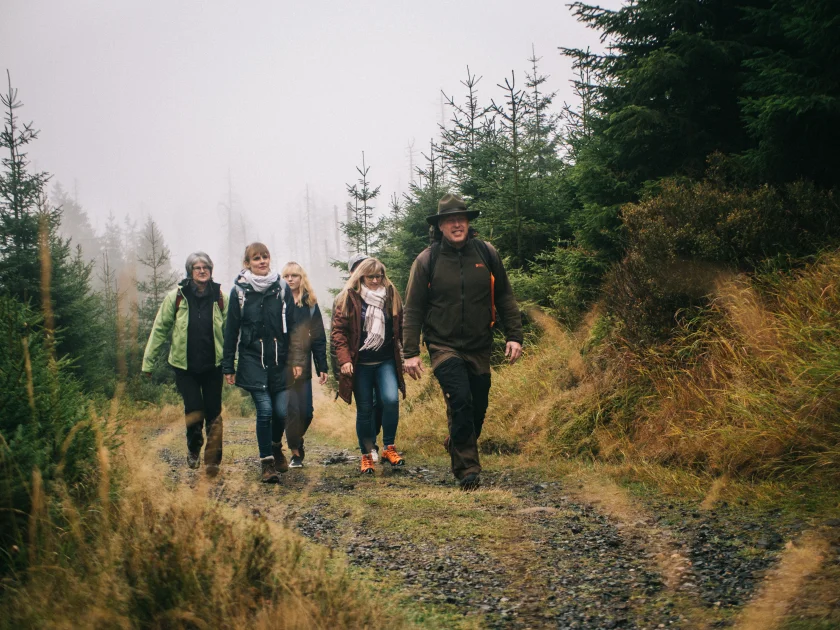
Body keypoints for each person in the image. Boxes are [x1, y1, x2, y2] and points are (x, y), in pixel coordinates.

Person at [403, 194, 523, 490]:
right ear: (440, 226)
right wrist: (410, 352)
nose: (457, 224)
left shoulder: (486, 253)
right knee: (461, 399)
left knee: (478, 404)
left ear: (468, 223)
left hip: (479, 343)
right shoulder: (426, 260)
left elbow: (505, 296)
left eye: (462, 219)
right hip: (442, 345)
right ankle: (467, 469)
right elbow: (413, 308)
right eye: (450, 220)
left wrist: (514, 335)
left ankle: (456, 441)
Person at [222, 243, 303, 483]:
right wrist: (229, 365)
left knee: (280, 411)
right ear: (247, 263)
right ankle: (267, 463)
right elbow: (231, 330)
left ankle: (276, 446)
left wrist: (297, 359)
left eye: (265, 257)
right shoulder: (239, 291)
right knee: (265, 410)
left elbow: (294, 325)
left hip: (280, 359)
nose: (262, 261)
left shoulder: (280, 287)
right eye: (256, 258)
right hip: (252, 359)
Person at [141, 252, 228, 477]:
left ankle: (212, 461)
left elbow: (231, 332)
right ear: (190, 271)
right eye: (197, 267)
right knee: (194, 410)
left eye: (205, 267)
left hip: (213, 366)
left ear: (211, 270)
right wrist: (148, 362)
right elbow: (160, 328)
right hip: (184, 367)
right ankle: (193, 448)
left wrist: (232, 363)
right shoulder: (177, 297)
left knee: (213, 413)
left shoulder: (219, 297)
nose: (201, 270)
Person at [331, 257, 406, 474]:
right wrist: (344, 360)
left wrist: (409, 355)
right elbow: (339, 333)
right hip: (360, 364)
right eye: (370, 276)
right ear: (361, 276)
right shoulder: (349, 298)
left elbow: (401, 327)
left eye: (378, 276)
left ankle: (389, 447)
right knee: (365, 409)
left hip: (385, 361)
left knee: (391, 400)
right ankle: (366, 456)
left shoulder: (391, 295)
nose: (375, 280)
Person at [281, 261, 328, 468]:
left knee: (306, 412)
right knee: (292, 410)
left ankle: (296, 439)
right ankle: (295, 453)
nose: (290, 279)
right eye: (286, 276)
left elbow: (318, 337)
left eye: (294, 276)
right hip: (283, 365)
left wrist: (322, 366)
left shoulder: (310, 304)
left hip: (305, 365)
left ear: (302, 279)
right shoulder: (278, 302)